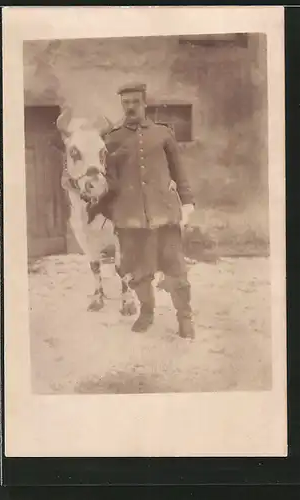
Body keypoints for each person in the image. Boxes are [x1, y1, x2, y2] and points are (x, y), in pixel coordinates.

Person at [103, 82, 195, 339]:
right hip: (130, 217)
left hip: (164, 214)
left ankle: (185, 317)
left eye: (135, 102)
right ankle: (146, 312)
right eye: (125, 103)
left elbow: (179, 172)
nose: (130, 107)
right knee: (138, 270)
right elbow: (110, 180)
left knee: (175, 268)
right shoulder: (112, 138)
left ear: (145, 103)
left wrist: (187, 201)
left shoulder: (163, 134)